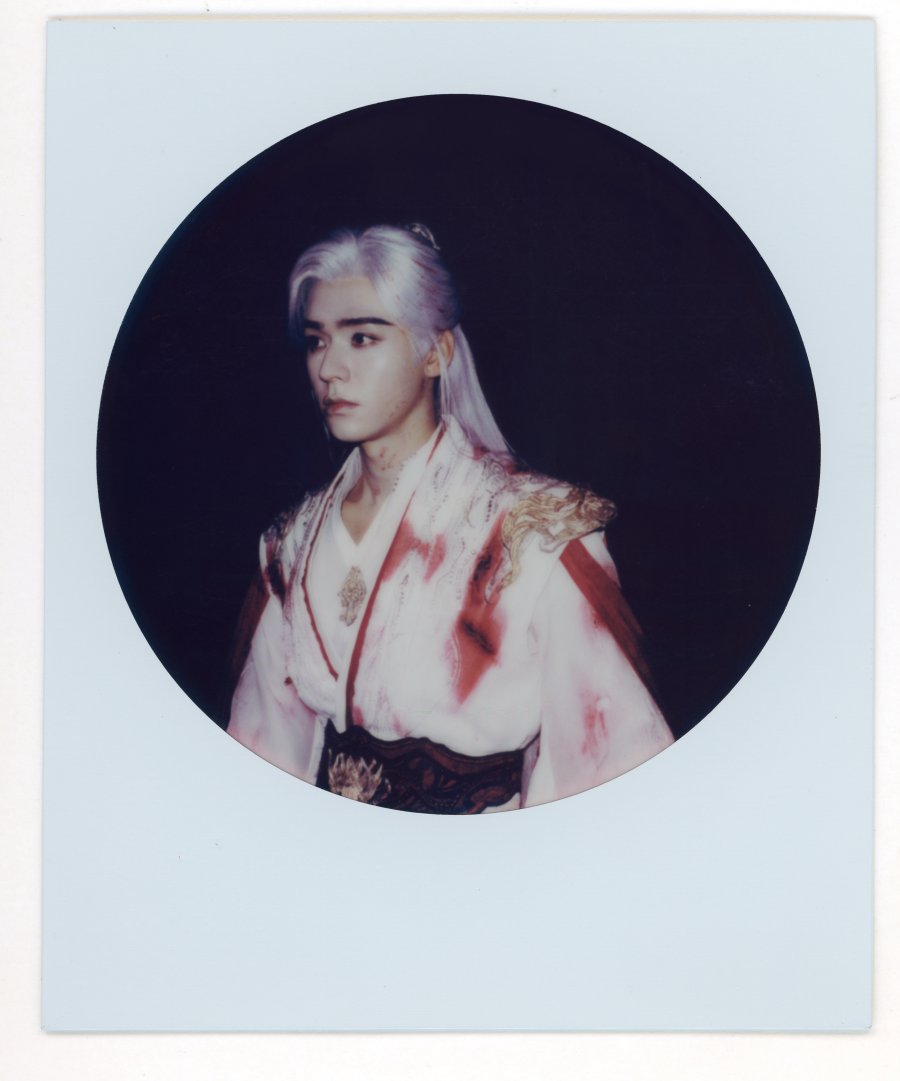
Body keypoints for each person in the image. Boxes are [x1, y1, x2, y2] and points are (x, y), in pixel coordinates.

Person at [228, 223, 673, 813]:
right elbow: (264, 752)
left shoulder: (535, 534)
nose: (329, 368)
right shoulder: (290, 545)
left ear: (436, 353)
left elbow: (605, 762)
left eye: (361, 338)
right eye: (316, 342)